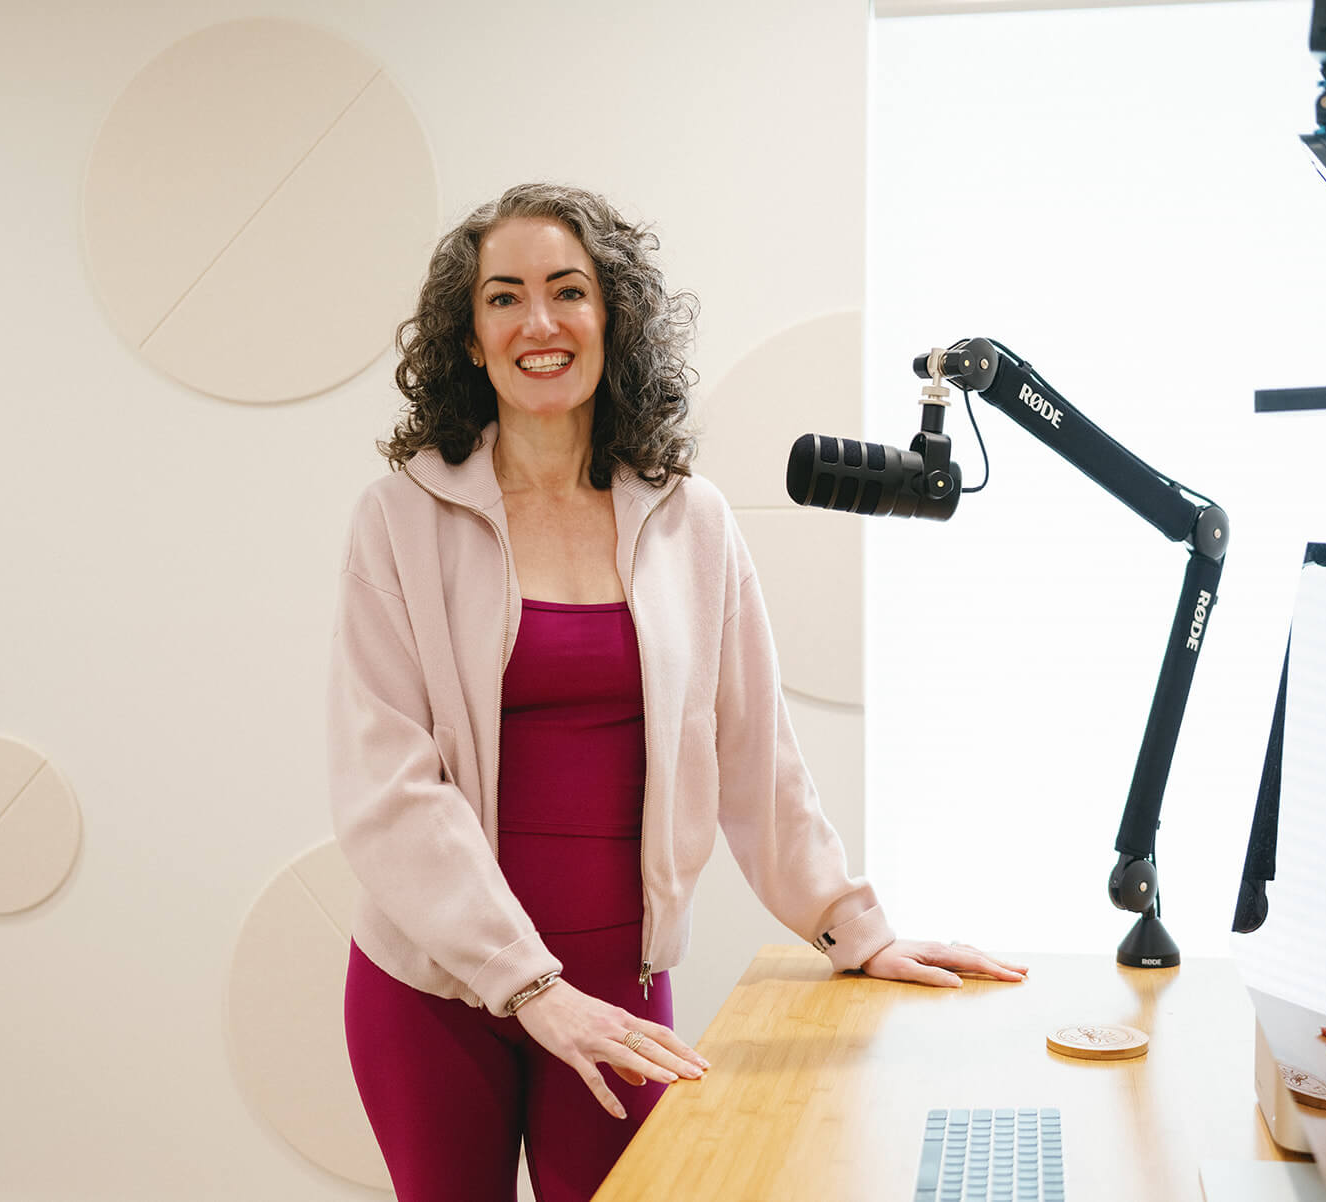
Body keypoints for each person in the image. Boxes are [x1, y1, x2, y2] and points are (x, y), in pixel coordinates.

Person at [327, 182, 1026, 1202]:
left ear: (612, 320)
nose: (540, 322)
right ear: (469, 337)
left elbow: (754, 752)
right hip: (435, 987)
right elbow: (388, 786)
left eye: (569, 291)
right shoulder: (397, 518)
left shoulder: (690, 521)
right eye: (504, 296)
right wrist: (527, 985)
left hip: (618, 980)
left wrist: (851, 926)